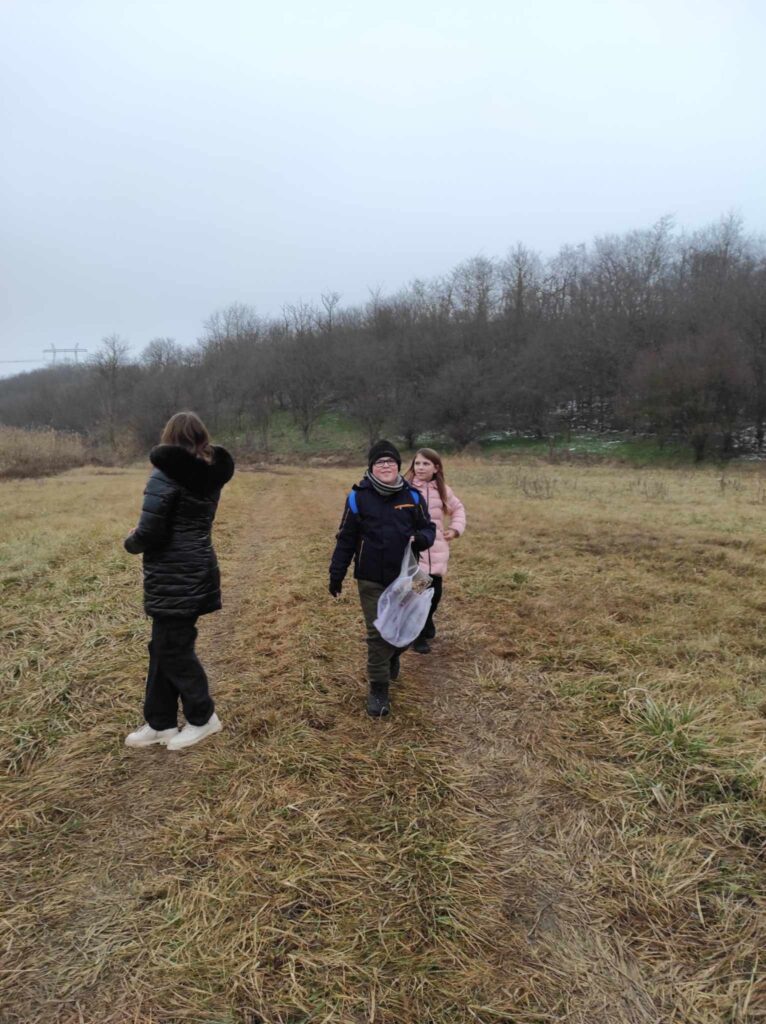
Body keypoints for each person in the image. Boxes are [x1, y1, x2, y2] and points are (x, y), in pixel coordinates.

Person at [123, 411, 234, 751]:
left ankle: (203, 718)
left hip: (174, 574)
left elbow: (150, 531)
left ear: (169, 437)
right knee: (163, 647)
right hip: (196, 570)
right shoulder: (209, 475)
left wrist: (130, 541)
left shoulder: (166, 474)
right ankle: (160, 722)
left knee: (174, 650)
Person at [329, 440, 436, 717]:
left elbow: (429, 528)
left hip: (408, 576)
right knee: (378, 633)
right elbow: (346, 539)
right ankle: (379, 690)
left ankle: (393, 656)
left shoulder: (413, 497)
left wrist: (422, 538)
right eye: (380, 462)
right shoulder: (358, 498)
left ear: (398, 466)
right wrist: (336, 574)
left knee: (409, 627)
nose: (386, 465)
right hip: (371, 577)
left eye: (391, 461)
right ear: (371, 467)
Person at [404, 448, 466, 654]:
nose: (420, 467)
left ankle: (428, 619)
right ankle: (418, 635)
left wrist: (455, 529)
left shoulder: (442, 490)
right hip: (414, 550)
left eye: (426, 464)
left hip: (437, 548)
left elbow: (458, 509)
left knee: (435, 594)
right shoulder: (405, 488)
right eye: (417, 463)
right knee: (418, 593)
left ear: (436, 468)